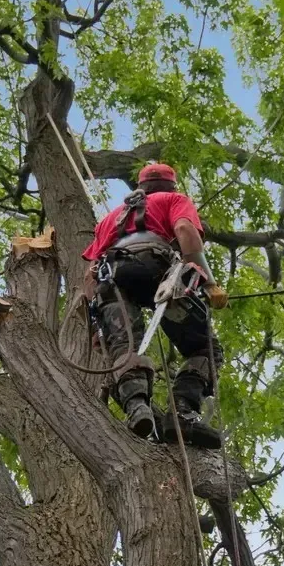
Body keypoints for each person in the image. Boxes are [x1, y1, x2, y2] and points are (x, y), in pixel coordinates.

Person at [82, 163, 228, 449]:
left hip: (111, 280)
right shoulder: (174, 200)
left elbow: (88, 275)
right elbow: (185, 229)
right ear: (170, 186)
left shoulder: (110, 219)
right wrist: (209, 283)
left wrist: (96, 327)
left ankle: (137, 408)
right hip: (157, 271)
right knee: (205, 349)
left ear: (142, 187)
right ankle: (182, 413)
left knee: (125, 347)